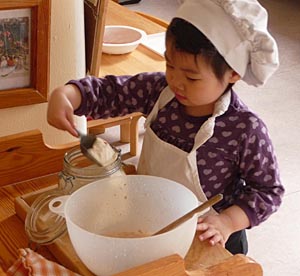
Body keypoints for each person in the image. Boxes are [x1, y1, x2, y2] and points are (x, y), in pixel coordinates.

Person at [47, 0, 284, 255]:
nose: (176, 82)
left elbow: (268, 191)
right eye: (170, 65)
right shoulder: (159, 91)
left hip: (209, 238)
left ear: (233, 73)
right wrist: (69, 95)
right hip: (150, 220)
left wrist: (228, 221)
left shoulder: (244, 129)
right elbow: (112, 92)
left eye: (191, 76)